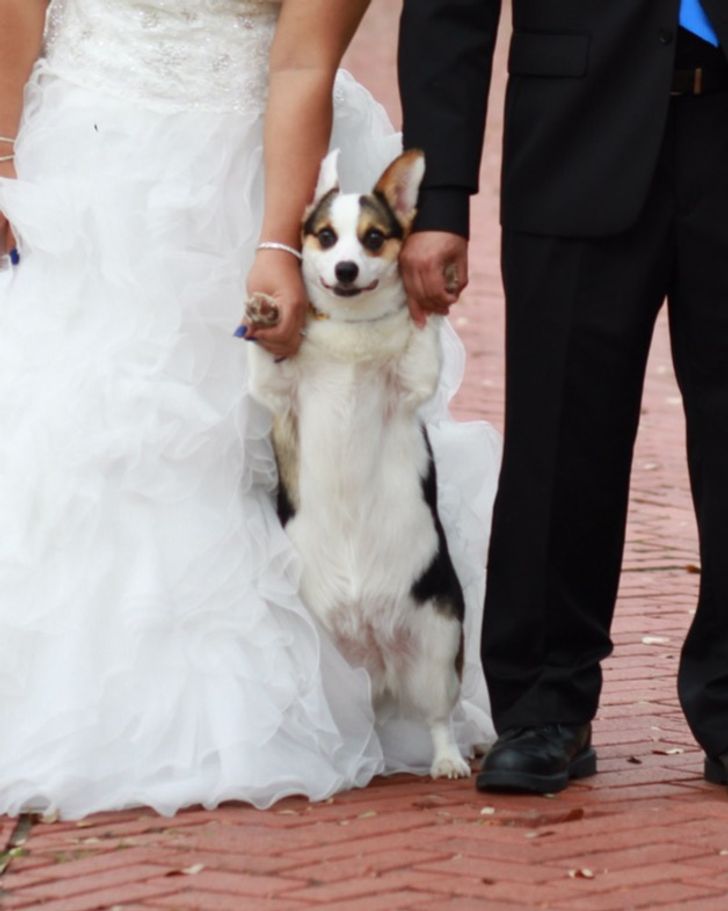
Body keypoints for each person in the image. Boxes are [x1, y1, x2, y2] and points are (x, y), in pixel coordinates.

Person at [0, 0, 500, 819]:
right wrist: (5, 155)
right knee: (63, 418)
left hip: (248, 164)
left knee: (229, 437)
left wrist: (276, 246)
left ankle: (240, 697)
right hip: (81, 156)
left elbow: (304, 60)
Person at [399, 0, 728, 794]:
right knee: (560, 434)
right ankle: (546, 698)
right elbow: (450, 12)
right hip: (577, 131)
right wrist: (439, 198)